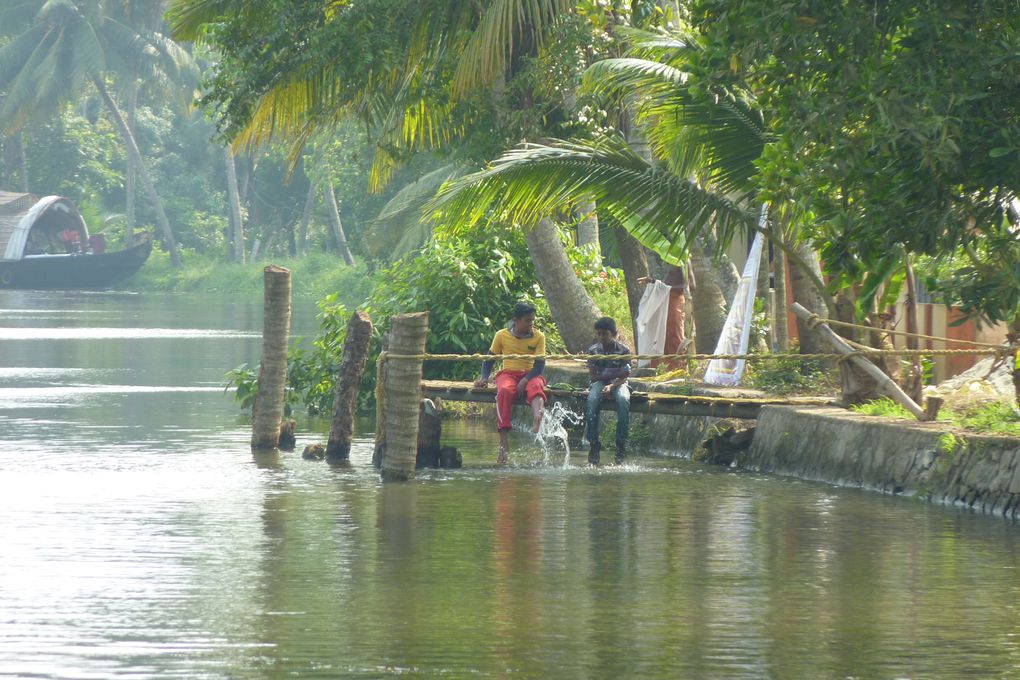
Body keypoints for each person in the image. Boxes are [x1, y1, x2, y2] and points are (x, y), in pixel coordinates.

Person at [473, 301, 548, 465]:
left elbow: (540, 365)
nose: (531, 324)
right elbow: (489, 360)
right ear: (517, 320)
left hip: (530, 374)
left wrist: (525, 380)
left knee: (536, 386)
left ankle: (537, 414)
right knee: (505, 391)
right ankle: (503, 443)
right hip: (508, 373)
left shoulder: (539, 337)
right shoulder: (501, 335)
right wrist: (484, 378)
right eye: (527, 320)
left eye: (533, 320)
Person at [585, 316, 632, 465]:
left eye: (605, 334)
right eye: (598, 334)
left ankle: (620, 445)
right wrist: (607, 379)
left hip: (619, 383)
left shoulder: (624, 350)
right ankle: (594, 444)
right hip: (598, 383)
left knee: (623, 400)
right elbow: (593, 377)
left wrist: (612, 385)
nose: (601, 337)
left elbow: (625, 376)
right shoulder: (593, 351)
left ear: (614, 334)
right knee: (592, 401)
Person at [638, 261, 694, 369]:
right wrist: (653, 282)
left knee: (674, 336)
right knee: (660, 336)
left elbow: (691, 286)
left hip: (675, 303)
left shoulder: (684, 260)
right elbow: (666, 285)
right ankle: (661, 368)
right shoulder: (670, 258)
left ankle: (677, 368)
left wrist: (667, 289)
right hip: (665, 303)